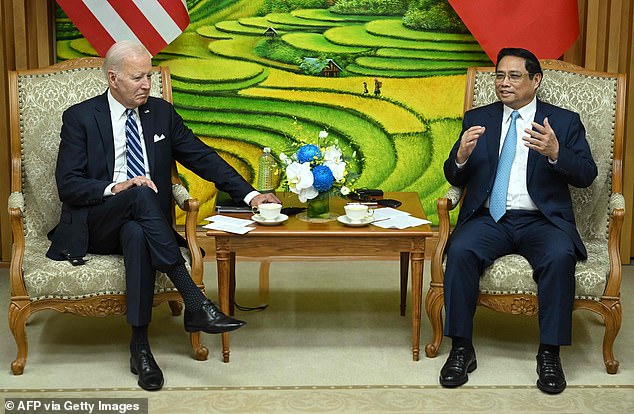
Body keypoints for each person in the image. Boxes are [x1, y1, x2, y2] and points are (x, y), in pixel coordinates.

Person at [46, 41, 281, 391]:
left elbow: (202, 157)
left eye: (150, 76)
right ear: (113, 78)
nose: (147, 85)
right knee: (139, 193)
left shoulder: (161, 113)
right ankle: (195, 301)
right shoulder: (80, 117)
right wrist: (118, 187)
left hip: (143, 226)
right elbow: (69, 185)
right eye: (138, 77)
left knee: (138, 233)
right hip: (96, 222)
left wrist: (250, 195)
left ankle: (140, 348)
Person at [439, 48, 597, 394]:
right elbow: (454, 173)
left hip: (541, 220)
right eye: (499, 76)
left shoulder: (564, 122)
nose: (504, 83)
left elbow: (587, 174)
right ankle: (461, 349)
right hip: (489, 218)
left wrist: (557, 153)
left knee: (559, 257)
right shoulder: (478, 118)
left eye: (513, 76)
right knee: (461, 250)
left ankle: (550, 354)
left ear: (535, 80)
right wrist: (461, 158)